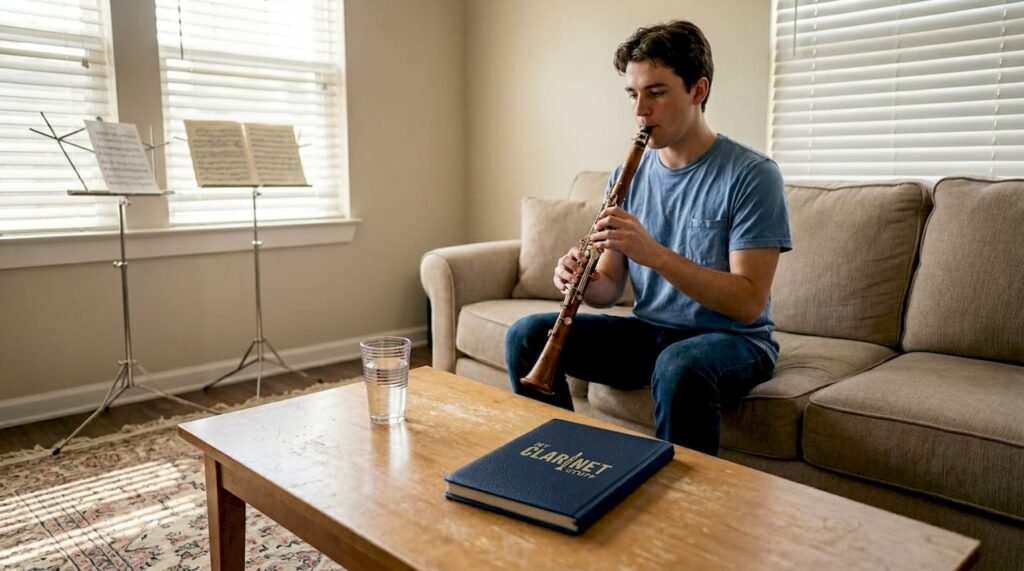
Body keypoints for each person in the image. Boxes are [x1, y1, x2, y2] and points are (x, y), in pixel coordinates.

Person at [505, 20, 792, 456]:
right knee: (525, 335)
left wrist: (655, 254)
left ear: (698, 90)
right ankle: (559, 461)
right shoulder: (627, 175)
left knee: (681, 365)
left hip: (735, 339)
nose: (641, 111)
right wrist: (579, 279)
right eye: (633, 95)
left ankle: (681, 511)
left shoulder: (752, 175)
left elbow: (748, 302)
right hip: (650, 331)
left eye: (656, 93)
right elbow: (608, 288)